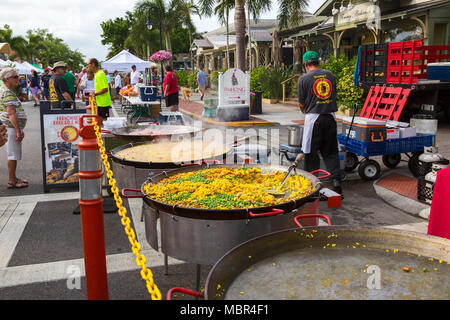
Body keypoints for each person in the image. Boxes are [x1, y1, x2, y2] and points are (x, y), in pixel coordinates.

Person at [297, 50, 343, 197]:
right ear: (318, 61)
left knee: (311, 153)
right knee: (331, 152)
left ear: (305, 64)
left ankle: (312, 188)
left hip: (314, 119)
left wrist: (304, 110)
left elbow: (301, 103)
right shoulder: (330, 75)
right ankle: (337, 183)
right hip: (330, 118)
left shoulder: (303, 79)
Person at [0, 68, 28, 188]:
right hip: (11, 127)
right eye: (15, 77)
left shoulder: (6, 91)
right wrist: (18, 131)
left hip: (11, 127)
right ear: (7, 79)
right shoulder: (7, 92)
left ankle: (14, 178)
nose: (18, 79)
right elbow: (11, 113)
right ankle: (12, 180)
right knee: (13, 155)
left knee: (13, 154)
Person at [86, 58, 112, 126]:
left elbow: (105, 89)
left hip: (103, 102)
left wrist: (95, 94)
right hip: (100, 101)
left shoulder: (100, 74)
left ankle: (103, 135)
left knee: (102, 121)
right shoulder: (96, 74)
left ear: (93, 64)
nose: (87, 66)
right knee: (99, 121)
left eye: (88, 65)